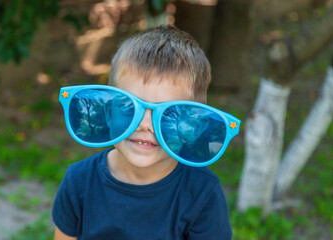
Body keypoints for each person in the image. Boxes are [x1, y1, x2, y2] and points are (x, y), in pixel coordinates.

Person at [52, 26, 235, 240]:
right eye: (129, 106)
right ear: (109, 113)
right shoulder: (79, 181)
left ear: (192, 126)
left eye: (169, 113)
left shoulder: (202, 195)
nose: (145, 124)